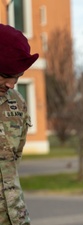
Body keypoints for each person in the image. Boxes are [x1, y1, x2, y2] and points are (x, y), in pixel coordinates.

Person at [0, 24, 39, 224]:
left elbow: (14, 163)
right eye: (6, 75)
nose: (12, 84)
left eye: (18, 77)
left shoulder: (16, 102)